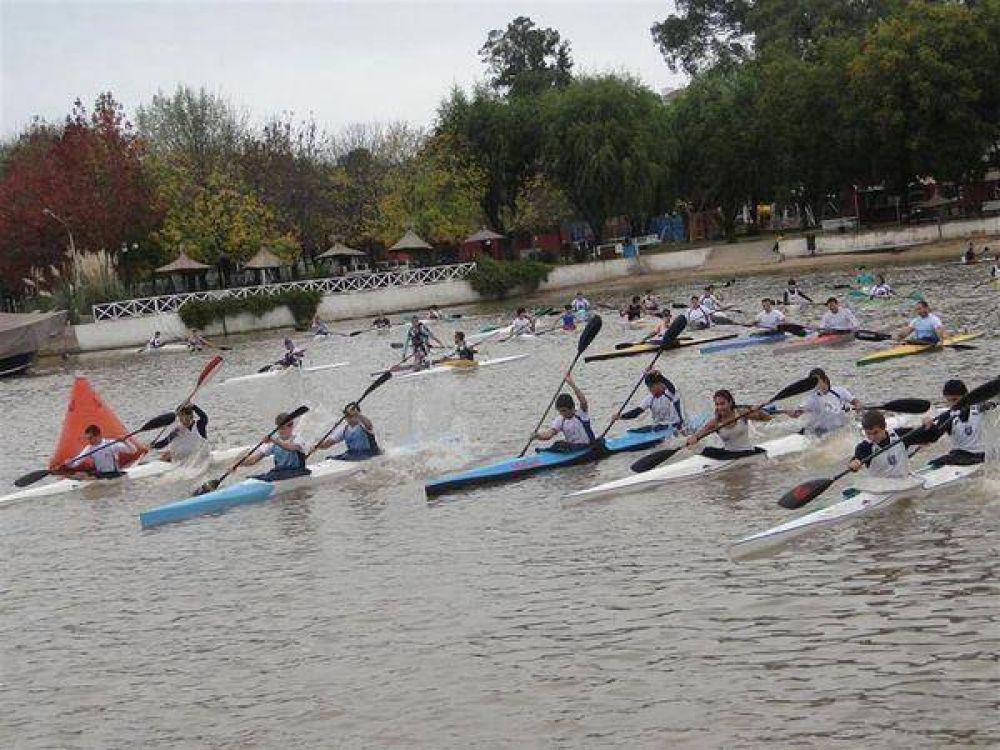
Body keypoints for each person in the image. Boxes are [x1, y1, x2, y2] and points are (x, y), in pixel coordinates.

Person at [685, 390, 771, 459]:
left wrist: (758, 410)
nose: (720, 407)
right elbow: (698, 434)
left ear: (730, 403)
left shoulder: (741, 413)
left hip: (747, 452)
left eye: (722, 404)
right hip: (728, 454)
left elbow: (767, 418)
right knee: (700, 448)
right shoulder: (715, 422)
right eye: (717, 404)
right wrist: (693, 438)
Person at [921, 380, 989, 467]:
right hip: (959, 455)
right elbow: (934, 437)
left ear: (966, 396)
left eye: (955, 399)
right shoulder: (947, 416)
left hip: (983, 455)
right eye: (949, 400)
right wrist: (929, 426)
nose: (953, 404)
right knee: (933, 463)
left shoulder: (981, 408)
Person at [788, 368, 862, 437]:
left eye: (816, 381)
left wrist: (858, 406)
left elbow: (856, 401)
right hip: (820, 432)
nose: (814, 384)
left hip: (840, 428)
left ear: (824, 380)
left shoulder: (840, 391)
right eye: (812, 382)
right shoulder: (811, 399)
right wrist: (792, 413)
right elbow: (797, 414)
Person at [532, 374, 596, 452]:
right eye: (560, 411)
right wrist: (538, 436)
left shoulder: (581, 414)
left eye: (564, 410)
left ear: (572, 408)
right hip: (573, 449)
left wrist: (572, 384)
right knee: (558, 444)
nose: (562, 413)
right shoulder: (560, 420)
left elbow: (583, 401)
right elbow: (549, 434)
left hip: (588, 446)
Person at [62, 424, 142, 480]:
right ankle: (65, 477)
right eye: (87, 438)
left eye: (90, 438)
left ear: (99, 435)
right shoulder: (89, 448)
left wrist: (126, 441)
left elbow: (133, 451)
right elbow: (76, 462)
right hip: (100, 474)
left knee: (85, 477)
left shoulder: (110, 444)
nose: (88, 441)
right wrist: (69, 463)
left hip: (114, 474)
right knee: (79, 474)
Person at [614, 371, 684, 433]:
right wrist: (621, 416)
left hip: (675, 424)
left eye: (652, 386)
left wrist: (659, 375)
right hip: (659, 426)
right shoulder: (649, 398)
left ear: (659, 384)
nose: (650, 389)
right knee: (634, 431)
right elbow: (637, 412)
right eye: (648, 387)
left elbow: (670, 386)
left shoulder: (671, 393)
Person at [243, 412, 308, 477]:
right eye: (279, 428)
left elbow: (290, 448)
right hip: (280, 472)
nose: (280, 431)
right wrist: (241, 464)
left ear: (291, 427)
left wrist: (273, 440)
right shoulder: (273, 444)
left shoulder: (298, 440)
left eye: (283, 428)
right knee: (253, 477)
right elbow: (255, 460)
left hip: (298, 472)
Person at [849, 410, 909, 478]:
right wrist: (853, 464)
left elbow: (921, 434)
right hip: (880, 487)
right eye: (868, 433)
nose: (872, 437)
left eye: (875, 432)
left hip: (904, 483)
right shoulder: (864, 447)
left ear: (885, 426)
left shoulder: (901, 435)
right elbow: (855, 460)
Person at [314, 402, 380, 461]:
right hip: (353, 454)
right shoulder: (344, 429)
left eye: (352, 416)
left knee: (347, 456)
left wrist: (358, 414)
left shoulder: (363, 424)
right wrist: (317, 446)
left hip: (370, 454)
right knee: (330, 458)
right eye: (347, 415)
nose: (349, 418)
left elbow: (369, 426)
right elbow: (328, 443)